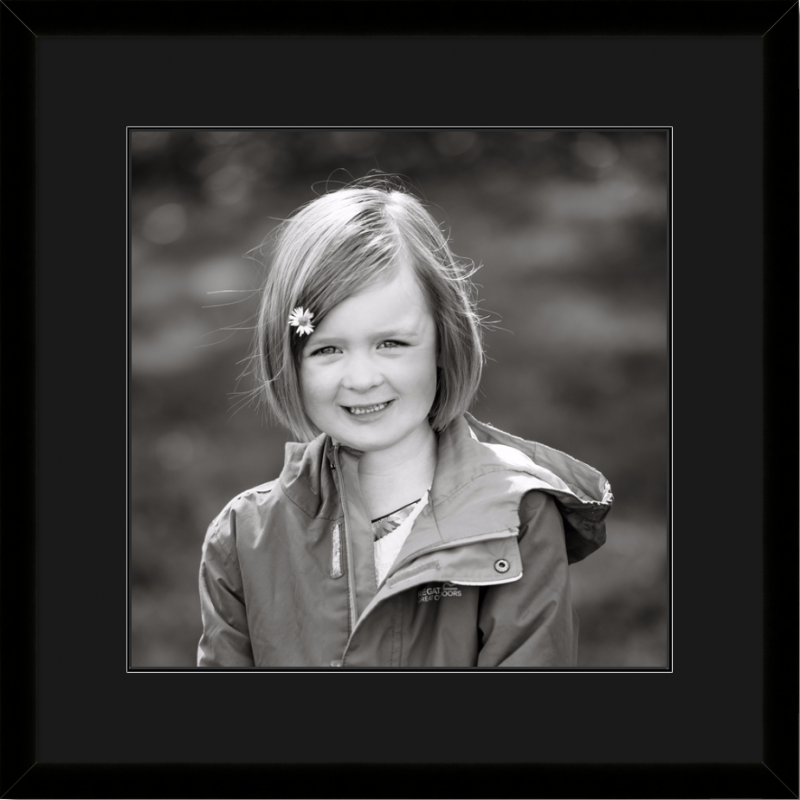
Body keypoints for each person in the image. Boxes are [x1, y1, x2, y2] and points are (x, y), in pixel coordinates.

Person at [197, 176, 613, 668]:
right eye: (327, 349)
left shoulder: (516, 518)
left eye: (391, 343)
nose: (362, 378)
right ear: (288, 360)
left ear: (444, 340)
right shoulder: (244, 536)